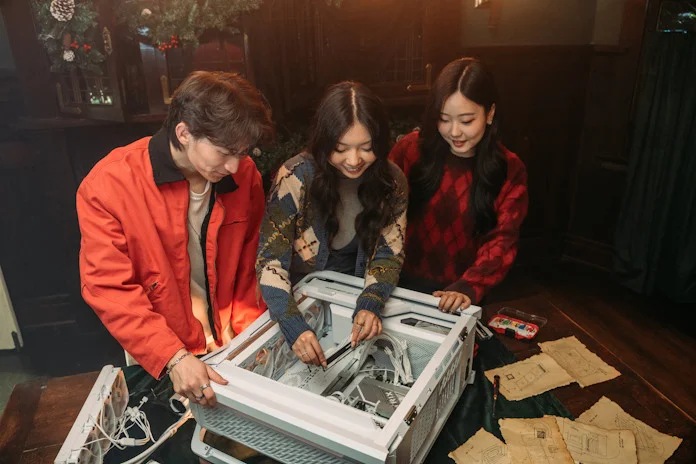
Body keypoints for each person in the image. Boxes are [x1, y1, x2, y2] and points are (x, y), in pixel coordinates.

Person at [77, 71, 274, 407]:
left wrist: (251, 341)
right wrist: (172, 356)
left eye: (242, 152)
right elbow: (108, 288)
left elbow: (250, 264)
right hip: (163, 354)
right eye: (226, 152)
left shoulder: (244, 174)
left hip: (234, 345)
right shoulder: (108, 185)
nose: (233, 165)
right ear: (184, 132)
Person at [256, 81, 408, 367]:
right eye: (340, 149)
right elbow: (270, 262)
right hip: (298, 301)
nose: (353, 161)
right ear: (324, 142)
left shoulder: (392, 181)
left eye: (366, 148)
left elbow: (389, 253)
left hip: (356, 294)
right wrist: (292, 325)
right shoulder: (295, 176)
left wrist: (371, 301)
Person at [390, 57, 528, 313]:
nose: (454, 132)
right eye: (444, 119)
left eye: (466, 121)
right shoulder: (410, 150)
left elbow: (503, 239)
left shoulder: (510, 168)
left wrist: (470, 285)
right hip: (396, 284)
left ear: (490, 114)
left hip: (460, 294)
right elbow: (380, 213)